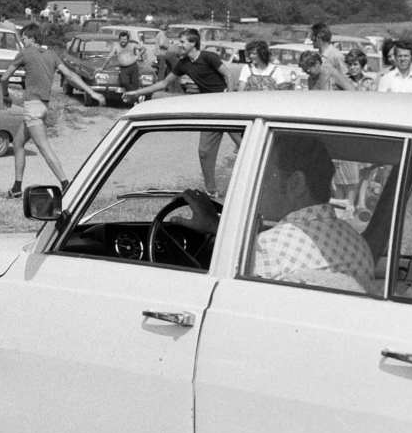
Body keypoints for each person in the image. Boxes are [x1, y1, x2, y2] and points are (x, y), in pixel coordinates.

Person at [181, 133, 374, 290]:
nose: (253, 184)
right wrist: (217, 227)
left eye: (263, 174)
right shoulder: (358, 243)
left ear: (296, 184)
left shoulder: (269, 248)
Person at [124, 29, 236, 196]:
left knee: (245, 145)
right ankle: (211, 191)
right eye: (179, 41)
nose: (179, 45)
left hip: (229, 107)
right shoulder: (183, 63)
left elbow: (229, 75)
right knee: (204, 151)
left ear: (193, 43)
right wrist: (136, 93)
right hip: (211, 110)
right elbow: (163, 83)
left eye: (182, 42)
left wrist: (230, 99)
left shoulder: (208, 57)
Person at [7, 22, 104, 196]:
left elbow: (4, 77)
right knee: (17, 143)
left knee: (44, 148)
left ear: (32, 38)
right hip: (44, 107)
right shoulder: (52, 55)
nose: (22, 42)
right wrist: (91, 92)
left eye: (24, 38)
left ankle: (66, 184)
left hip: (32, 107)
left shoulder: (24, 53)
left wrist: (5, 94)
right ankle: (16, 188)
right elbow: (70, 75)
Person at [99, 30, 145, 99]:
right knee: (124, 82)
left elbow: (144, 48)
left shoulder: (132, 45)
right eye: (122, 39)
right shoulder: (116, 47)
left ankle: (134, 100)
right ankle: (137, 95)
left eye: (125, 39)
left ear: (127, 40)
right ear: (119, 39)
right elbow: (109, 57)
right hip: (124, 68)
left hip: (133, 67)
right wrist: (102, 67)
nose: (123, 41)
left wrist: (138, 56)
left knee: (135, 83)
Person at [310, 23, 356, 90]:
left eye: (312, 36)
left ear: (318, 37)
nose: (311, 39)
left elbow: (347, 81)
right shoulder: (318, 56)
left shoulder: (336, 56)